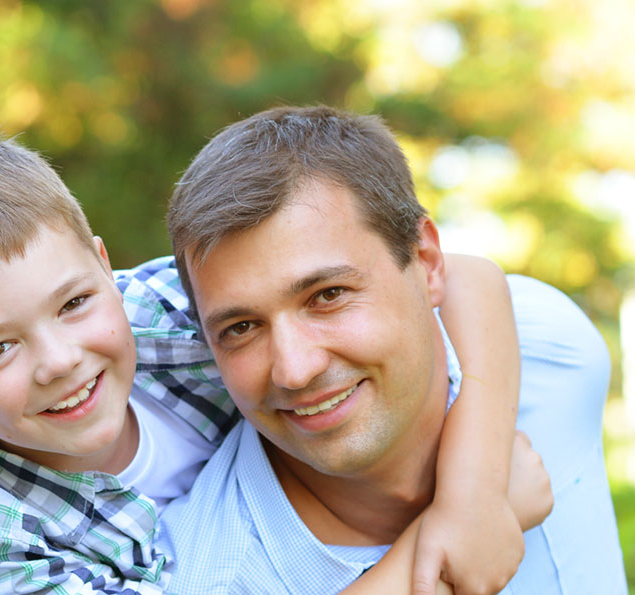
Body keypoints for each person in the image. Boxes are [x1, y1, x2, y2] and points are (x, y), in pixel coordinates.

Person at [0, 135, 525, 593]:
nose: (60, 361)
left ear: (104, 266)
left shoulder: (159, 307)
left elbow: (462, 276)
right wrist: (437, 551)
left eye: (72, 303)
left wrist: (473, 488)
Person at [159, 105, 626, 594]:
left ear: (425, 262)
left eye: (328, 295)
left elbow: (475, 277)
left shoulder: (549, 350)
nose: (294, 370)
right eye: (241, 327)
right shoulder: (209, 576)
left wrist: (475, 488)